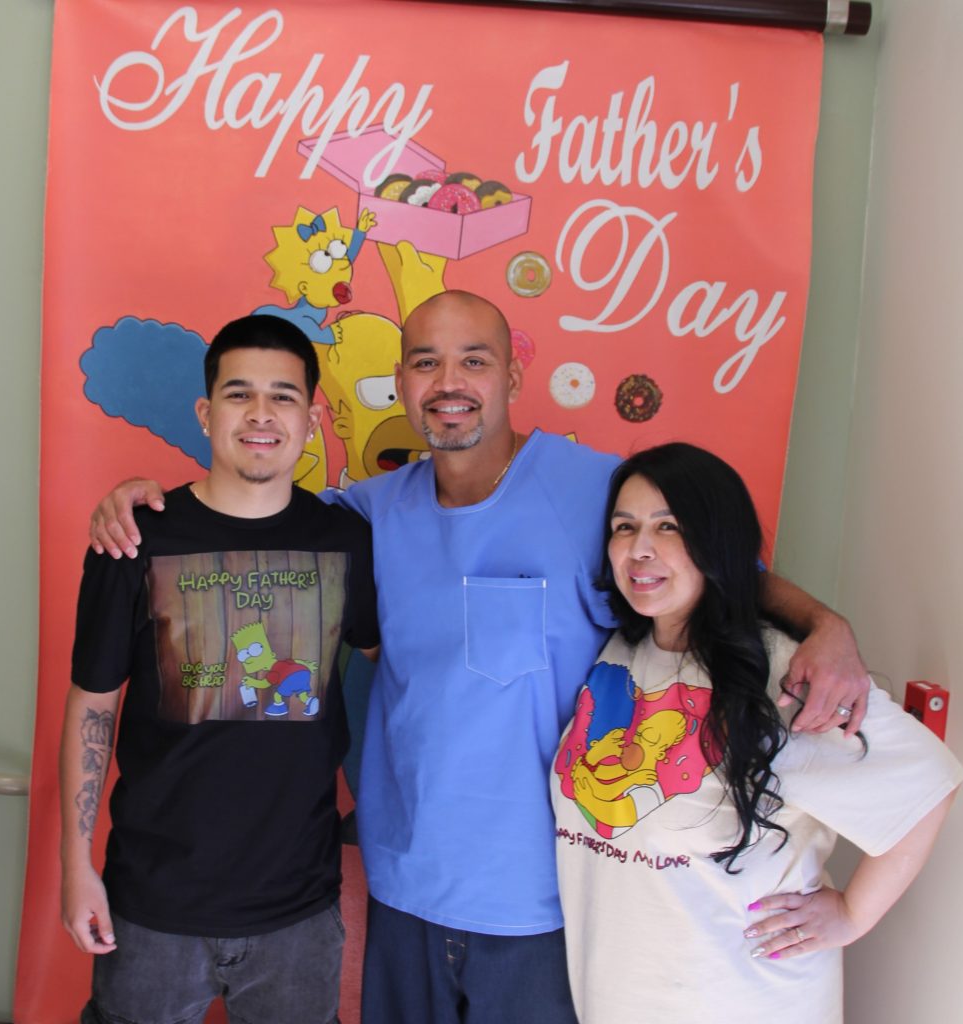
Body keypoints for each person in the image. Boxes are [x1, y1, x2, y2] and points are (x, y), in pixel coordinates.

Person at [88, 291, 872, 1024]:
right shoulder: (365, 515)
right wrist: (140, 505)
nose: (447, 381)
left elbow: (717, 568)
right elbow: (243, 513)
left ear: (513, 373)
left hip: (548, 896)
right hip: (404, 888)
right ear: (399, 381)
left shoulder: (597, 489)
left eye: (473, 359)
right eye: (425, 361)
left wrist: (823, 622)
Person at [551, 442, 961, 1024]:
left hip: (743, 999)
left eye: (669, 526)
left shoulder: (779, 675)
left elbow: (927, 781)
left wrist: (851, 914)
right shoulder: (624, 650)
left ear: (716, 541)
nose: (639, 548)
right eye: (625, 526)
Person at [61, 315, 379, 1024]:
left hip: (296, 909)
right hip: (151, 904)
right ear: (207, 413)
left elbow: (397, 666)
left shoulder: (347, 541)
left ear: (310, 416)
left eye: (283, 396)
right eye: (239, 395)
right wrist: (75, 866)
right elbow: (93, 705)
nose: (261, 415)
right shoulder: (136, 538)